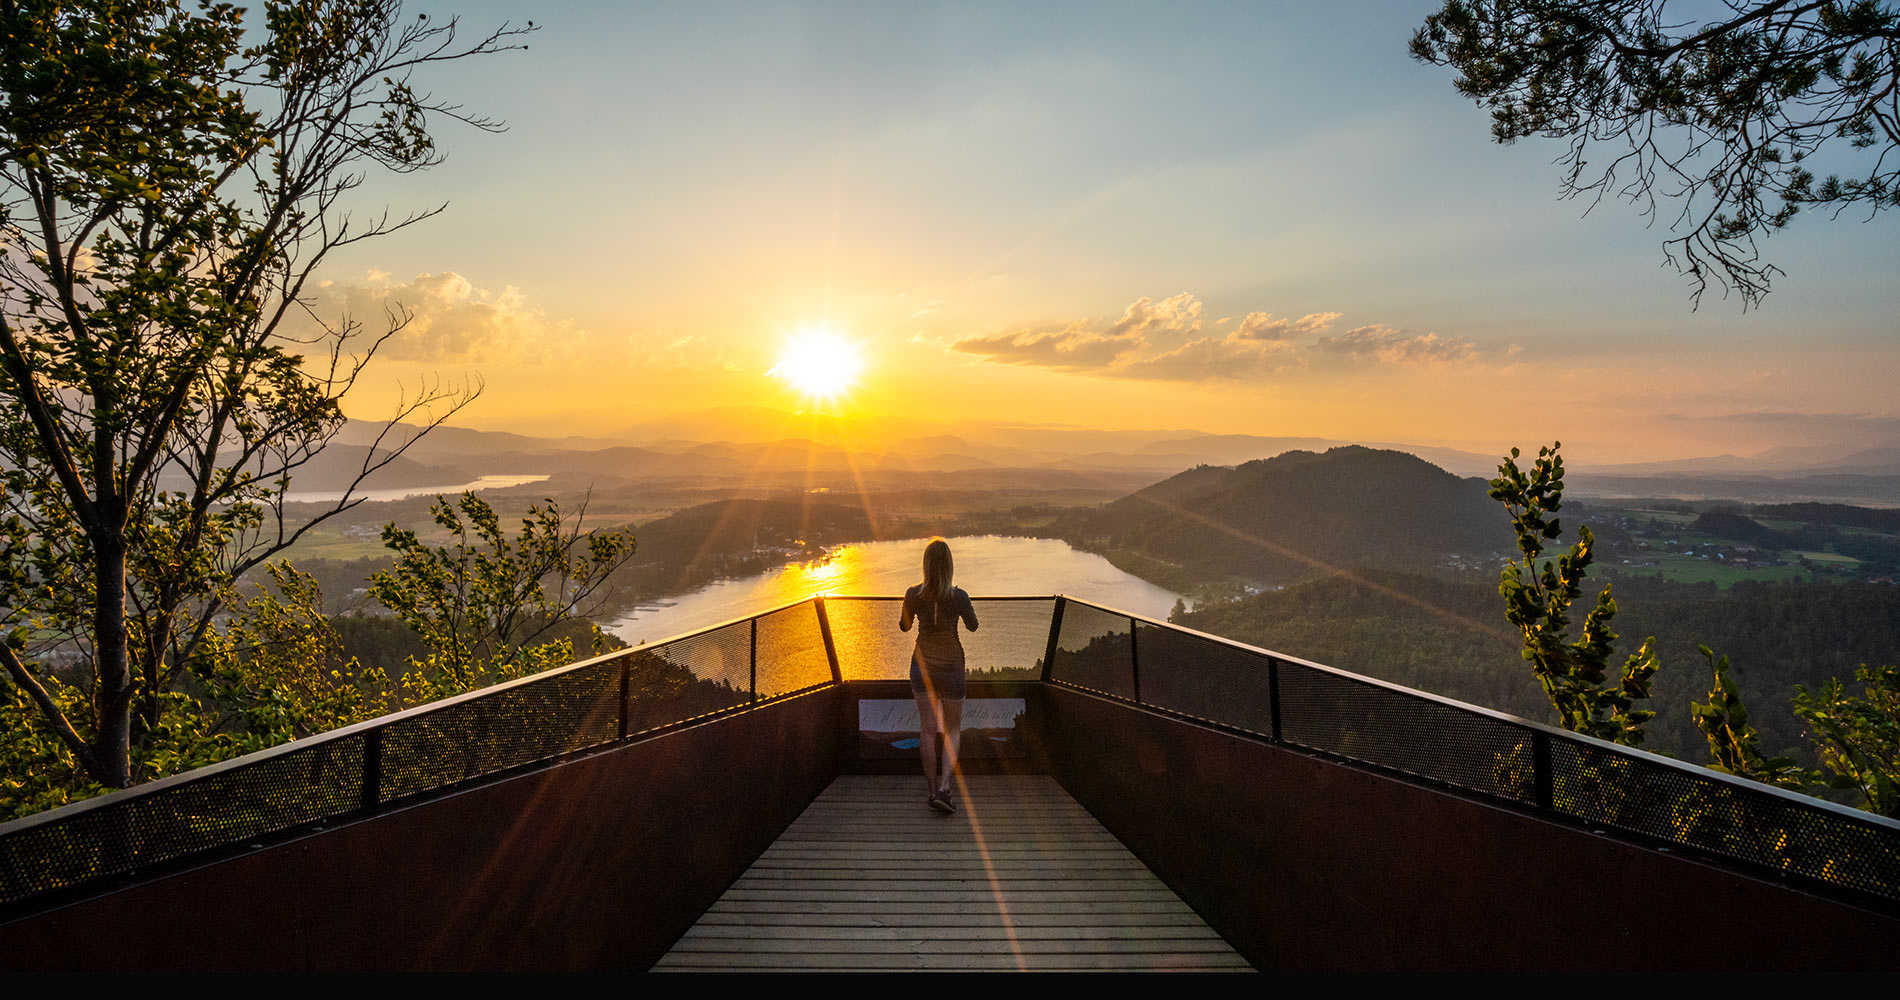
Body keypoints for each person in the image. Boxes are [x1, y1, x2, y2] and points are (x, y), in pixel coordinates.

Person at [900, 537, 978, 814]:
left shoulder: (913, 594)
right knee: (953, 729)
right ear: (949, 566)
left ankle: (932, 791)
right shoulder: (958, 596)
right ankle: (945, 788)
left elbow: (905, 627)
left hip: (922, 667)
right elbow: (973, 626)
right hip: (952, 667)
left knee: (927, 729)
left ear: (926, 565)